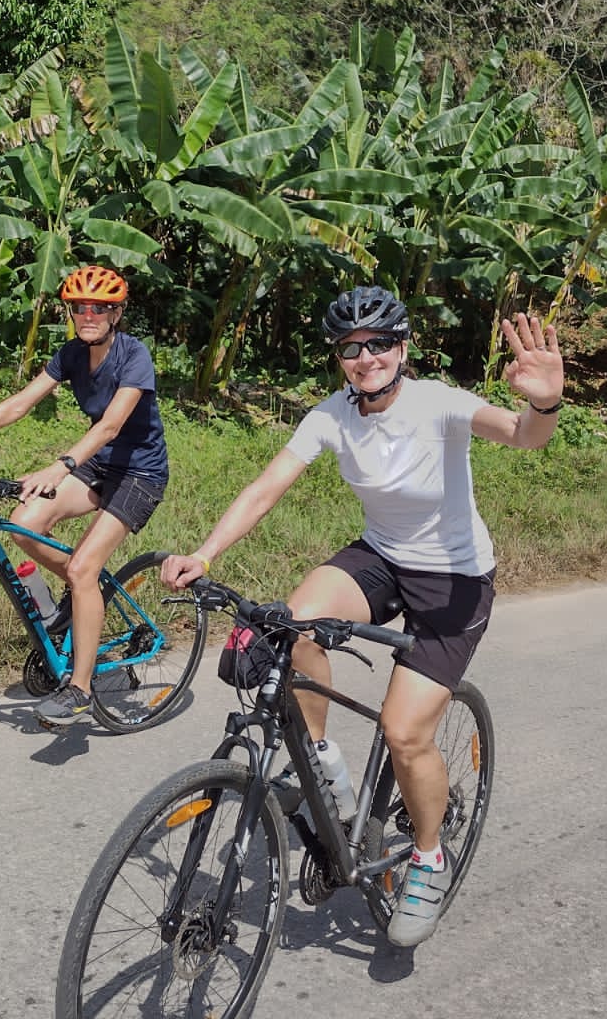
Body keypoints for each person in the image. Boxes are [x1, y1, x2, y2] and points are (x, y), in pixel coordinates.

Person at [160, 285, 566, 948]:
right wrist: (205, 553)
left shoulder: (440, 403)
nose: (366, 357)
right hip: (381, 557)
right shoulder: (332, 416)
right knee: (287, 626)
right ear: (340, 360)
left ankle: (428, 858)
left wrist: (544, 399)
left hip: (454, 583)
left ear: (402, 348)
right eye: (352, 348)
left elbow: (524, 436)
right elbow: (266, 487)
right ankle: (325, 765)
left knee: (406, 735)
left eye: (379, 343)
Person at [0, 265, 169, 727]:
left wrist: (61, 465)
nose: (88, 315)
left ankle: (80, 689)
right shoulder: (72, 353)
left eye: (99, 308)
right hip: (96, 466)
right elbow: (22, 402)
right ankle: (78, 596)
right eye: (79, 307)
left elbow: (112, 425)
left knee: (83, 567)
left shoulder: (135, 356)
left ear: (116, 313)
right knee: (25, 524)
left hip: (139, 474)